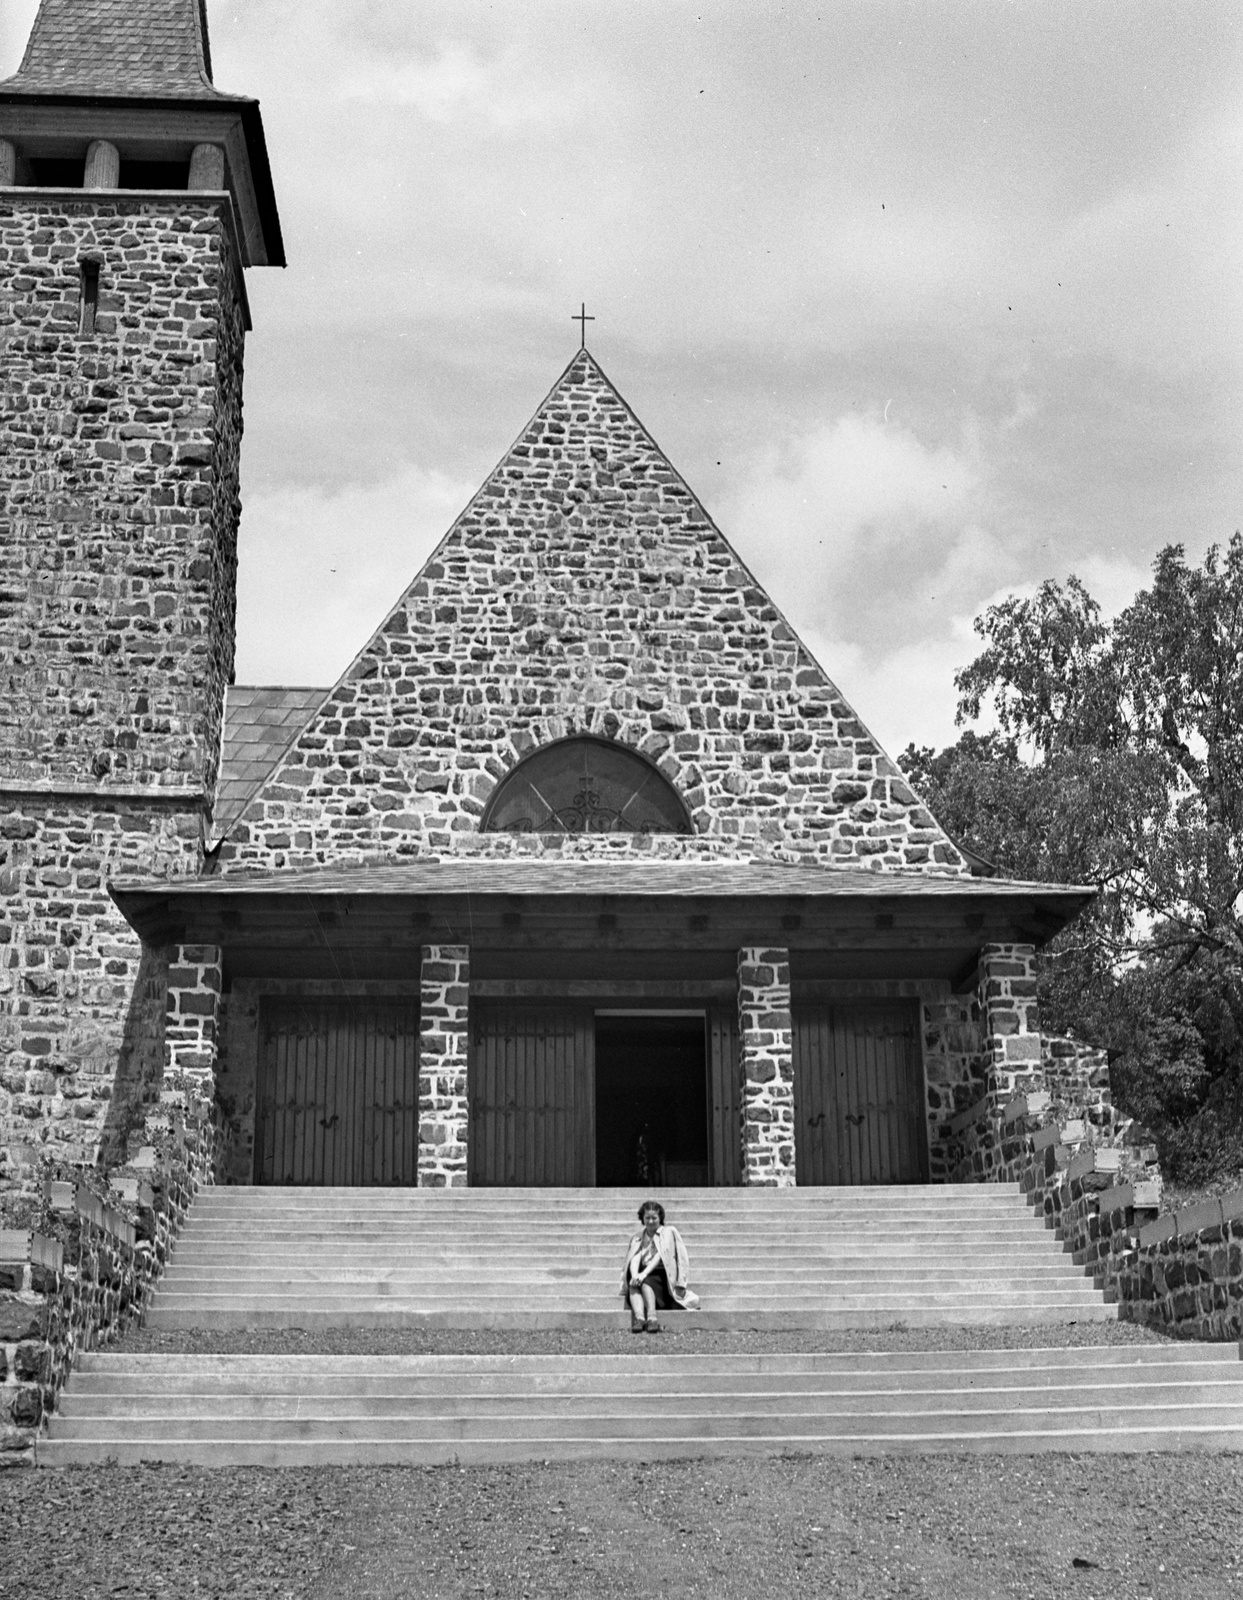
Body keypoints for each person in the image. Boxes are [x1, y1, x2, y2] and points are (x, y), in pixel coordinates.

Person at [620, 1199, 700, 1333]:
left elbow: (664, 1255)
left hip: (661, 1275)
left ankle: (652, 1318)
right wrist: (635, 1276)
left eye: (654, 1218)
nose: (651, 1221)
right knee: (634, 1284)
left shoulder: (669, 1232)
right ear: (642, 1219)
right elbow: (635, 1256)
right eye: (647, 1218)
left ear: (660, 1218)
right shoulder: (638, 1237)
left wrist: (681, 1282)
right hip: (642, 1272)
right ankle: (639, 1319)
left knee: (646, 1282)